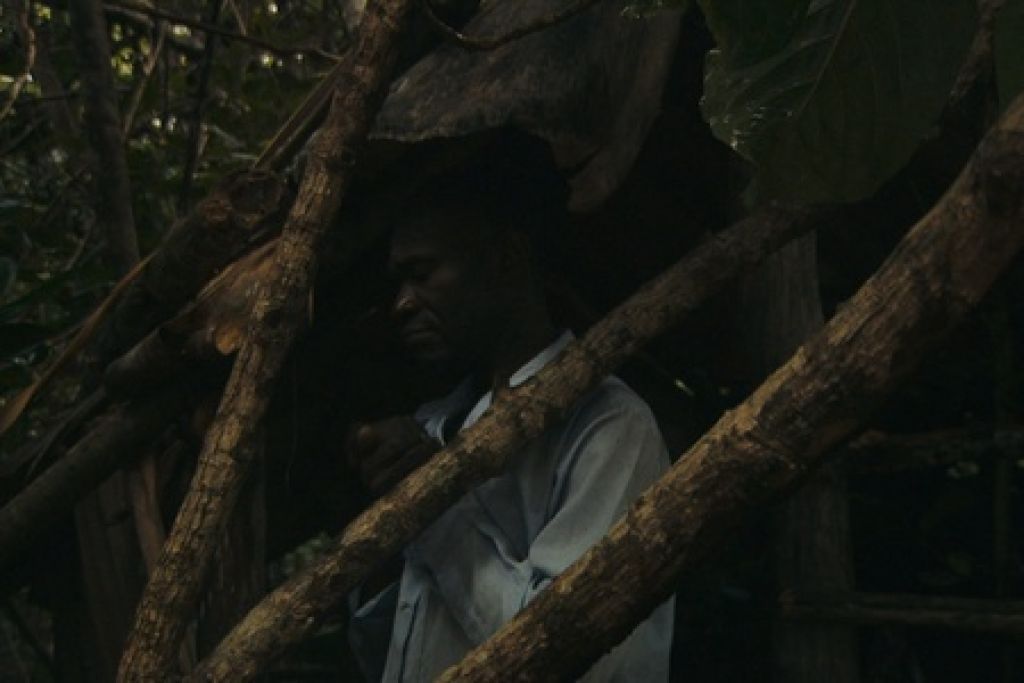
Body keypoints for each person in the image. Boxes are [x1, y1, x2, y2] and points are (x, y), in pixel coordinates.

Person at [346, 147, 674, 682]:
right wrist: (387, 534)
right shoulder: (434, 425)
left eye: (423, 273)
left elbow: (579, 655)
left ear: (506, 257)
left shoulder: (610, 427)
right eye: (398, 283)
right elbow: (389, 653)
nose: (401, 303)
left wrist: (432, 503)